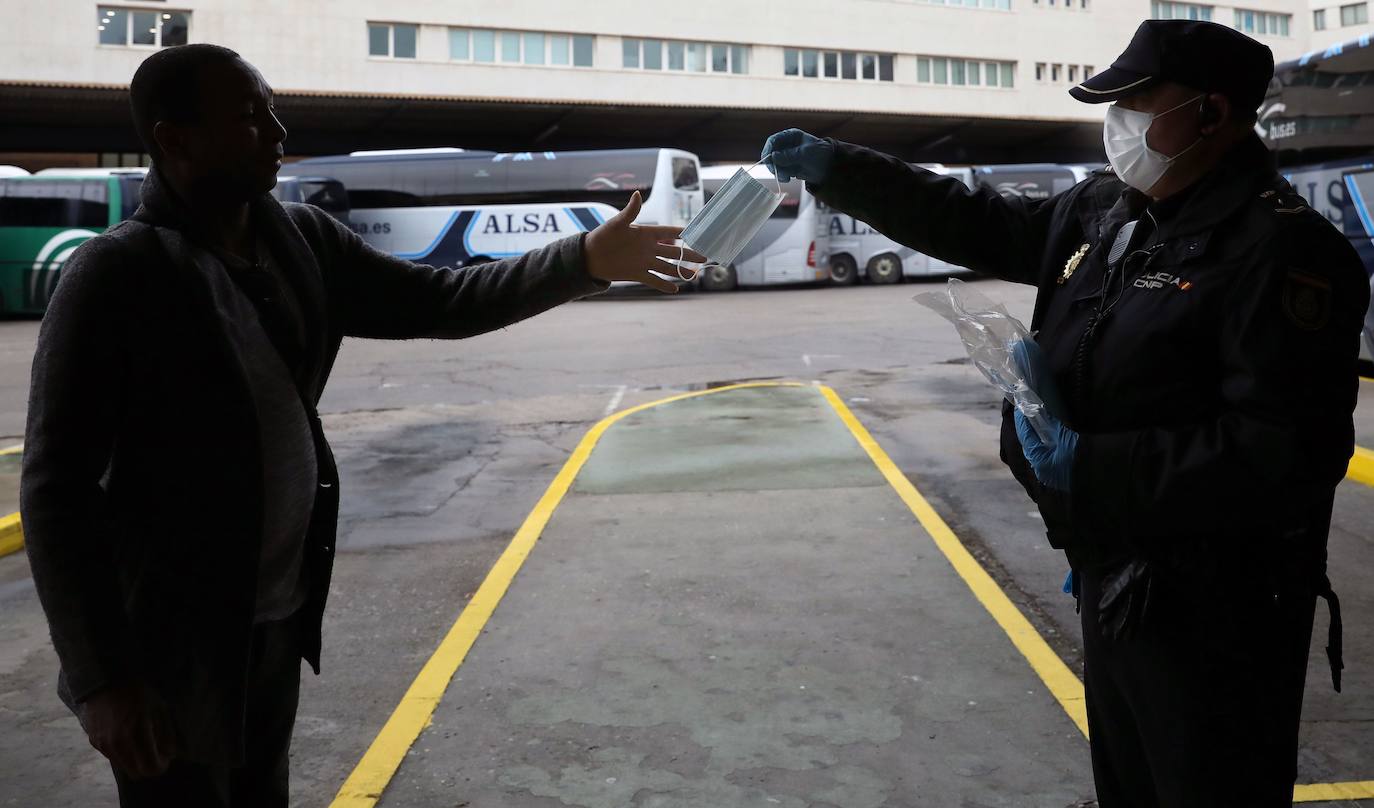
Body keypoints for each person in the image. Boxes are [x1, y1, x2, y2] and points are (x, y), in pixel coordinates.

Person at [20, 43, 705, 807]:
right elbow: (57, 491)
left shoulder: (302, 241)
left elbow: (446, 300)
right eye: (249, 117)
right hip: (171, 641)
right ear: (174, 139)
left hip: (275, 617)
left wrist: (583, 258)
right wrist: (103, 681)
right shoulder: (117, 278)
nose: (278, 132)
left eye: (273, 109)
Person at [763, 20, 1365, 808]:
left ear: (1213, 115)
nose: (1115, 122)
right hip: (1114, 574)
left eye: (1136, 102)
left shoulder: (1282, 253)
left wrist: (1093, 469)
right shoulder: (1109, 211)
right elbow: (980, 222)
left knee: (1209, 786)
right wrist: (845, 172)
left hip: (1221, 615)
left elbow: (1283, 452)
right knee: (1130, 786)